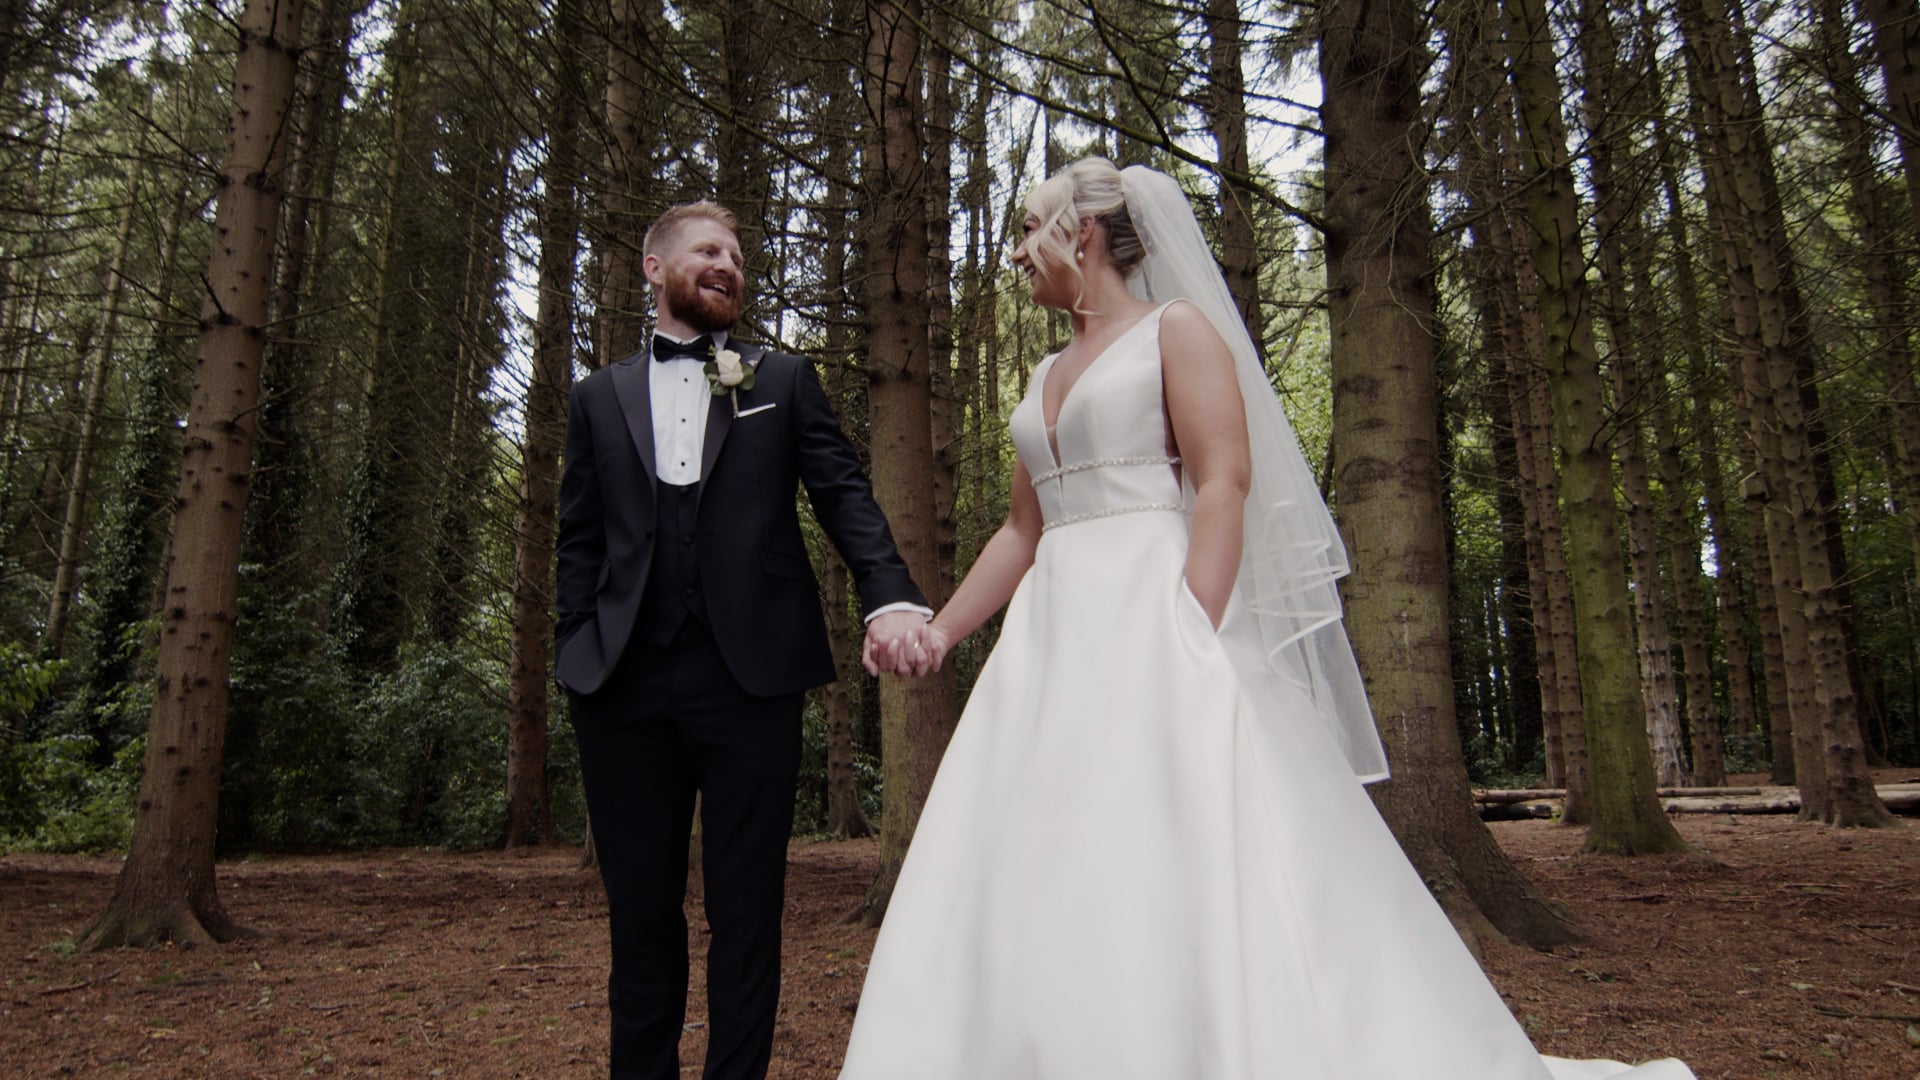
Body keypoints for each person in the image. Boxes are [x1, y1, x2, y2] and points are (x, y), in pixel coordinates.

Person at [836, 159, 1695, 1080]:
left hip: (1157, 613)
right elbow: (1021, 529)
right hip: (1051, 643)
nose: (1015, 255)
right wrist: (941, 630)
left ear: (1080, 233)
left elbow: (1222, 482)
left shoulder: (1177, 330)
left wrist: (1189, 630)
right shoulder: (1045, 369)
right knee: (1051, 846)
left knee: (1186, 831)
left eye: (1028, 231)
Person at [555, 200, 931, 1080]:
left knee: (749, 916)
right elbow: (579, 540)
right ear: (655, 268)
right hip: (620, 692)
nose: (728, 263)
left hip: (752, 683)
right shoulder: (595, 397)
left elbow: (843, 496)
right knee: (640, 922)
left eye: (737, 254)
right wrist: (578, 652)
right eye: (707, 250)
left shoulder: (782, 379)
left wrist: (891, 598)